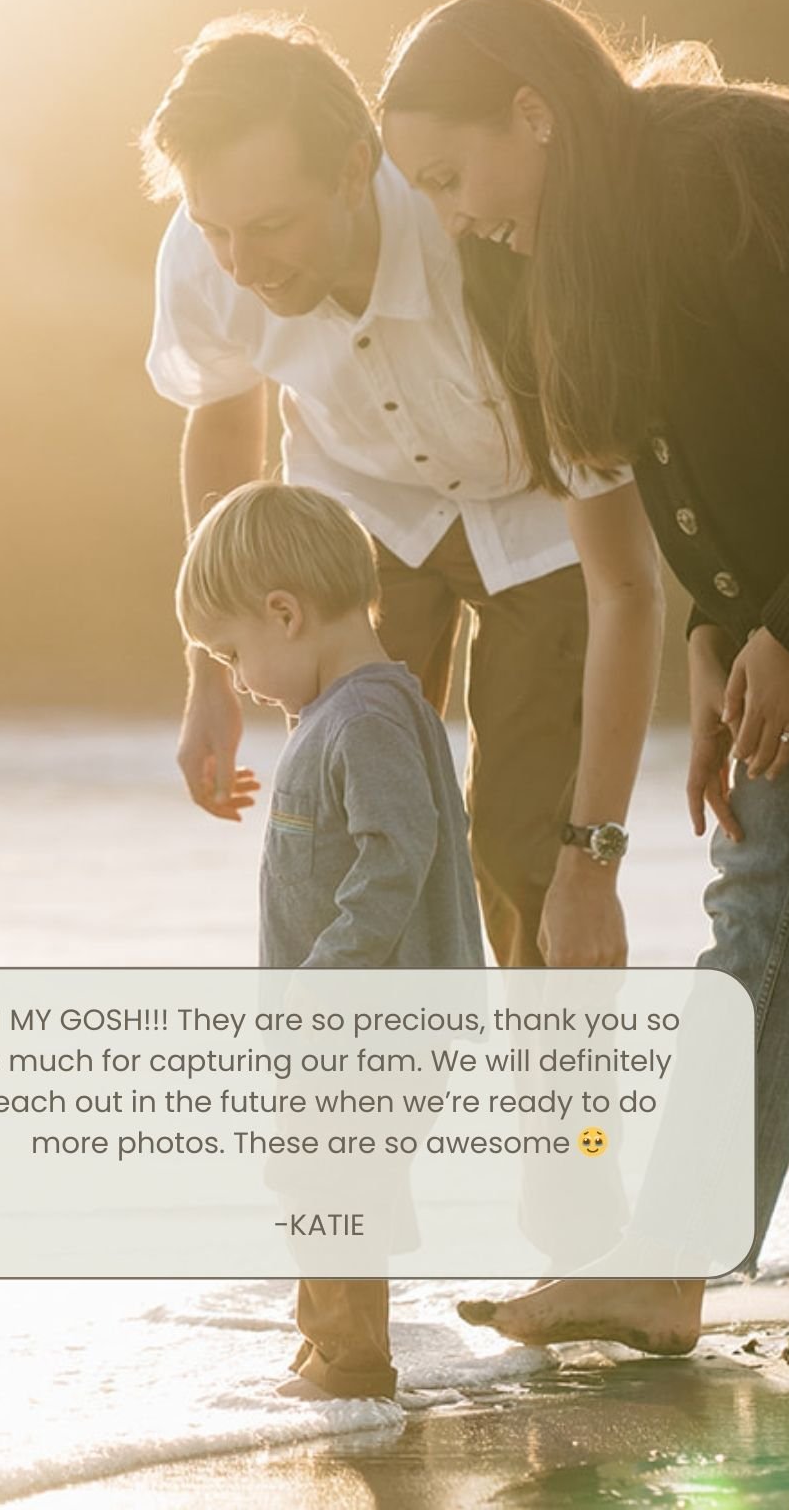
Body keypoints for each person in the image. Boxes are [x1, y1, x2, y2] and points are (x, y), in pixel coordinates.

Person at [379, 0, 789, 1355]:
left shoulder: (722, 175)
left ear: (534, 113)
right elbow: (714, 458)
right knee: (758, 891)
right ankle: (667, 1267)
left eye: (456, 174)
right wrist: (725, 632)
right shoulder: (587, 244)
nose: (460, 213)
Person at [143, 14, 664, 973]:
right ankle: (362, 1113)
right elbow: (225, 419)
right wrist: (209, 668)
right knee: (335, 834)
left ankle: (558, 1126)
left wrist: (596, 857)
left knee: (521, 850)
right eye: (215, 228)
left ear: (353, 169)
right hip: (360, 515)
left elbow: (627, 583)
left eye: (269, 227)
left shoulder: (485, 227)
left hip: (541, 516)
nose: (243, 267)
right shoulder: (205, 256)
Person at [174, 478, 486, 1401]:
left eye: (233, 652)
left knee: (325, 1171)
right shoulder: (341, 715)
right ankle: (331, 1342)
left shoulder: (366, 717)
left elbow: (399, 857)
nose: (234, 678)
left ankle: (351, 1361)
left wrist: (328, 981)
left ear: (286, 612)